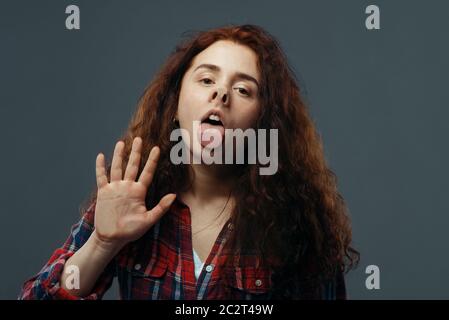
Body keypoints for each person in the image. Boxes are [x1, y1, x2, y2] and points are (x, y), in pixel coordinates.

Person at [19, 24, 359, 300]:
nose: (221, 94)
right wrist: (103, 243)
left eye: (243, 90)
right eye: (207, 79)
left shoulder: (297, 221)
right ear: (175, 103)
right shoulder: (133, 196)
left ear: (263, 121)